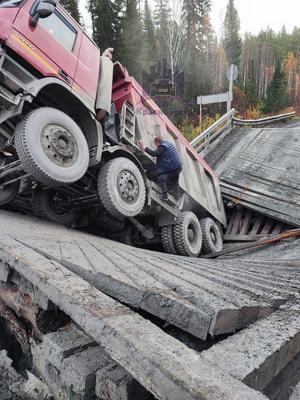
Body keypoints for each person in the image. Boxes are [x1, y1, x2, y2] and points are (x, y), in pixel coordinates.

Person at [138, 136, 182, 201]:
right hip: (178, 167)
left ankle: (165, 196)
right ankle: (177, 197)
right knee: (175, 181)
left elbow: (154, 153)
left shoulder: (162, 147)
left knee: (161, 177)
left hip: (173, 169)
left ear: (157, 143)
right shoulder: (167, 143)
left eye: (156, 145)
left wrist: (144, 147)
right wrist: (155, 138)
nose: (156, 147)